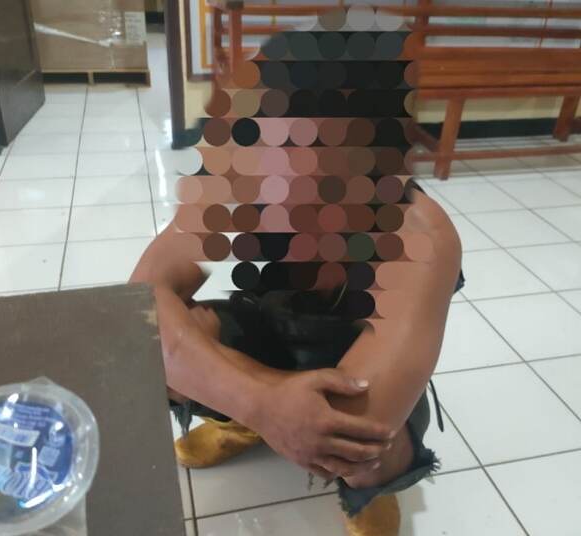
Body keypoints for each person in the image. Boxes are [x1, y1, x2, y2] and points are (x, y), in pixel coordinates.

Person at [131, 7, 464, 535]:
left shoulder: (419, 234)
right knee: (162, 341)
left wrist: (215, 376)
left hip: (360, 367)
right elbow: (140, 301)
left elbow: (358, 420)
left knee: (361, 446)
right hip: (279, 327)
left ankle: (369, 486)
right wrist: (259, 402)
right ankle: (246, 423)